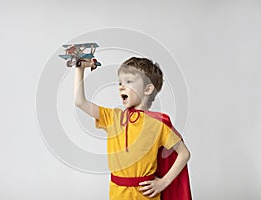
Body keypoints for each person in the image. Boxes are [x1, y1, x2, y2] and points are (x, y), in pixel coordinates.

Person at [74, 57, 192, 200]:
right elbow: (80, 102)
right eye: (120, 83)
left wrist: (163, 183)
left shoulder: (158, 124)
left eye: (128, 82)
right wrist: (79, 69)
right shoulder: (112, 117)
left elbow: (184, 153)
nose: (121, 86)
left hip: (146, 195)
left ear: (148, 89)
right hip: (117, 194)